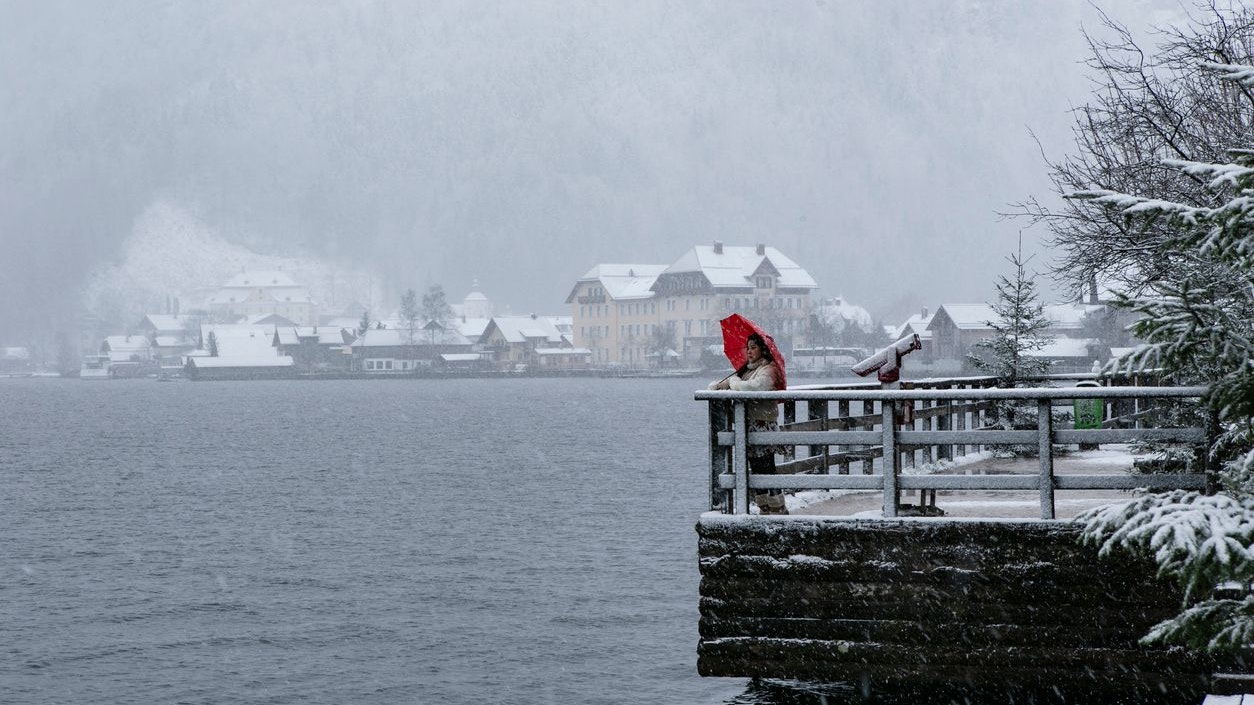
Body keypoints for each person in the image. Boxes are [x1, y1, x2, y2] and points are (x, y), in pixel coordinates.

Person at [708, 333, 788, 515]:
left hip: (764, 423)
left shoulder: (769, 369)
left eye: (754, 347)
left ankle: (777, 506)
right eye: (748, 347)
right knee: (755, 466)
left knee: (767, 467)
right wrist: (718, 386)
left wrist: (735, 382)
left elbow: (753, 387)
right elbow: (732, 382)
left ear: (763, 350)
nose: (749, 351)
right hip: (749, 424)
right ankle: (764, 506)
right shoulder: (746, 370)